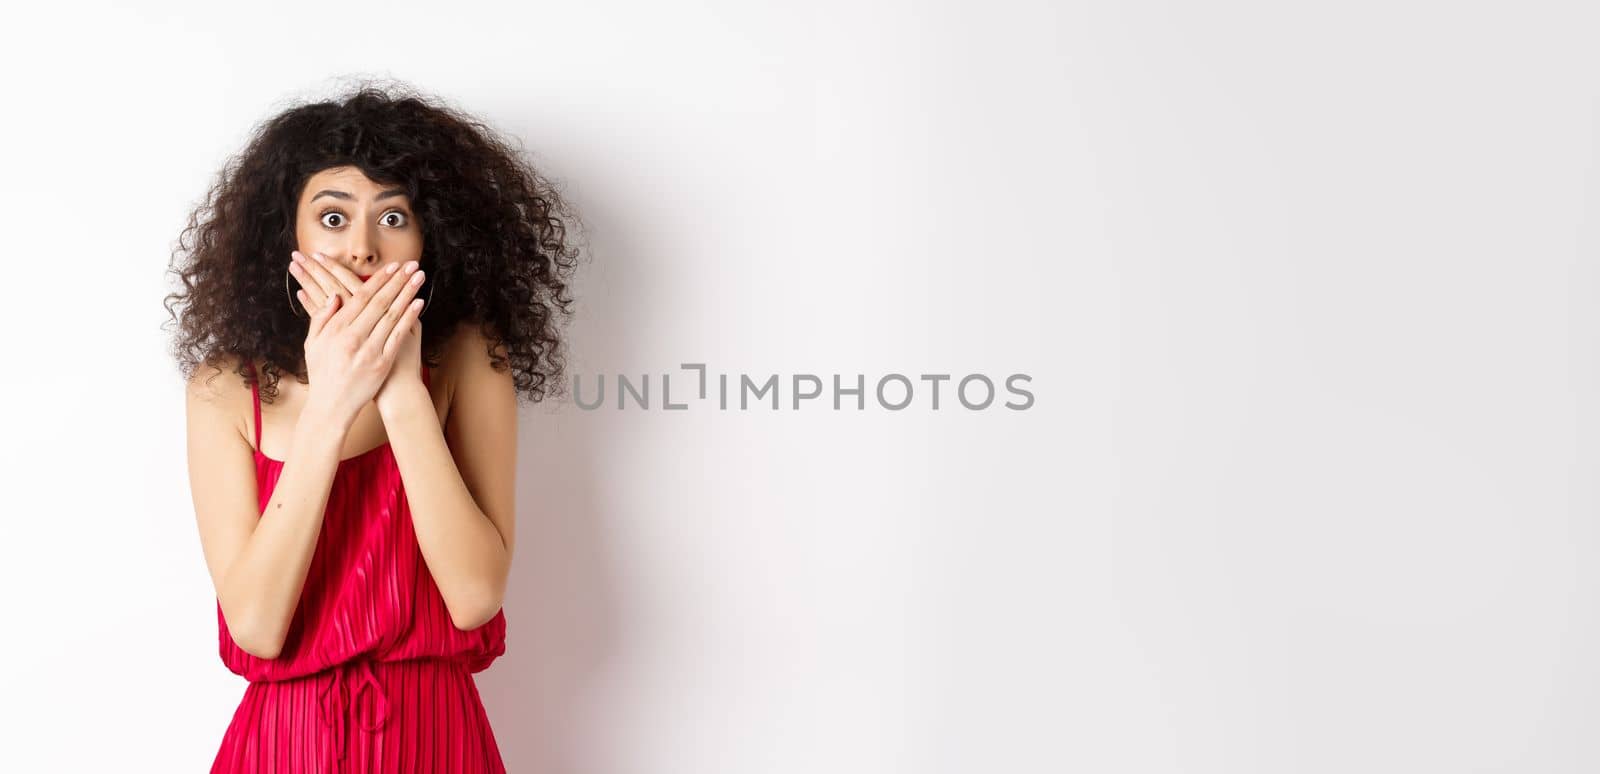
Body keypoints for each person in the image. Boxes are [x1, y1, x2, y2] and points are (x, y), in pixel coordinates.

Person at [165, 81, 582, 773]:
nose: (362, 248)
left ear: (430, 236)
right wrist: (332, 403)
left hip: (436, 737)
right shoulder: (225, 389)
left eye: (393, 219)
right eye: (332, 218)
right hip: (285, 744)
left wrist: (398, 388)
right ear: (287, 233)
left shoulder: (470, 359)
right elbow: (257, 627)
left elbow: (476, 597)